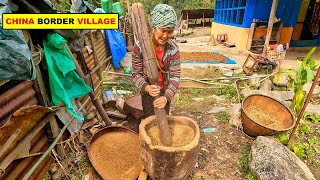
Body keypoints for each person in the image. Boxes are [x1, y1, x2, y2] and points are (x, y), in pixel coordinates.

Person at [132, 4, 181, 118]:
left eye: (170, 32)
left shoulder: (173, 49)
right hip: (148, 92)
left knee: (164, 117)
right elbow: (136, 74)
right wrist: (147, 88)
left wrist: (166, 97)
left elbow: (175, 76)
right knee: (150, 119)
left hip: (165, 90)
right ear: (154, 27)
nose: (165, 35)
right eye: (163, 30)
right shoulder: (140, 48)